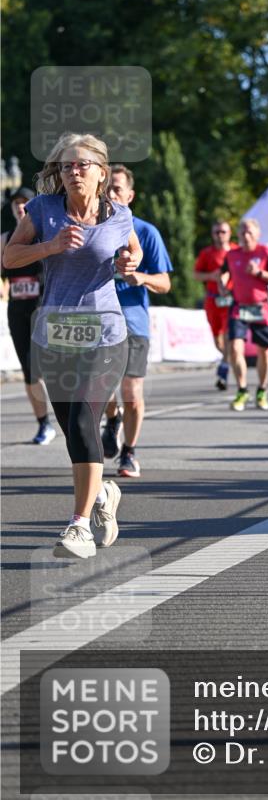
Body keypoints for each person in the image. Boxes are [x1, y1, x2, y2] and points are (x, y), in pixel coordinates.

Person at [2, 133, 142, 558]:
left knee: (82, 417)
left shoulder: (119, 215)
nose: (73, 172)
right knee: (73, 431)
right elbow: (9, 257)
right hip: (55, 334)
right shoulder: (43, 210)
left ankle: (79, 526)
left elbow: (133, 255)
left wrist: (129, 263)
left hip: (105, 334)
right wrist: (51, 246)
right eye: (66, 166)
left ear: (101, 172)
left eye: (82, 165)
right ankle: (102, 494)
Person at [100, 165, 173, 477]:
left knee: (131, 393)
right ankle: (111, 418)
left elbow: (165, 283)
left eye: (117, 189)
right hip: (98, 322)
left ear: (130, 196)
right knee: (101, 389)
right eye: (107, 188)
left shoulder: (145, 232)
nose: (111, 194)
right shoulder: (92, 228)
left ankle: (129, 452)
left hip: (134, 323)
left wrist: (140, 277)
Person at [0, 187, 56, 444]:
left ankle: (79, 414)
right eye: (16, 203)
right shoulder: (5, 239)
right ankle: (44, 424)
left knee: (55, 369)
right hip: (18, 310)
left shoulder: (46, 235)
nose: (20, 206)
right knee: (30, 371)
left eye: (25, 202)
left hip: (44, 309)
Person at [220, 218, 268, 411]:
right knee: (235, 348)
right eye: (243, 233)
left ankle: (262, 390)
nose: (246, 236)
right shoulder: (232, 254)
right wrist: (223, 283)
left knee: (264, 351)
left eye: (250, 233)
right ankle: (242, 390)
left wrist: (260, 273)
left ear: (257, 235)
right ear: (238, 234)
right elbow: (224, 272)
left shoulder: (265, 253)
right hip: (239, 306)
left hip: (260, 307)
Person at [194, 221, 237, 390]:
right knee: (218, 342)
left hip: (232, 301)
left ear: (229, 233)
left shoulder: (236, 251)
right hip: (213, 301)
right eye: (217, 232)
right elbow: (196, 275)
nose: (220, 235)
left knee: (228, 337)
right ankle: (228, 359)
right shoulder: (207, 253)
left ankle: (223, 370)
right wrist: (211, 276)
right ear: (213, 234)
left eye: (223, 232)